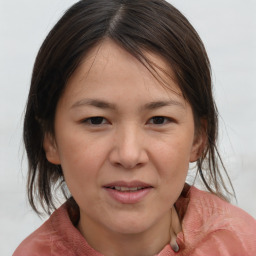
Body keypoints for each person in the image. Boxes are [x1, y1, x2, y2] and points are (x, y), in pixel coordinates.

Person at [13, 0, 256, 255]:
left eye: (159, 120)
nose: (129, 155)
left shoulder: (243, 245)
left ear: (198, 137)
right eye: (96, 120)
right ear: (50, 139)